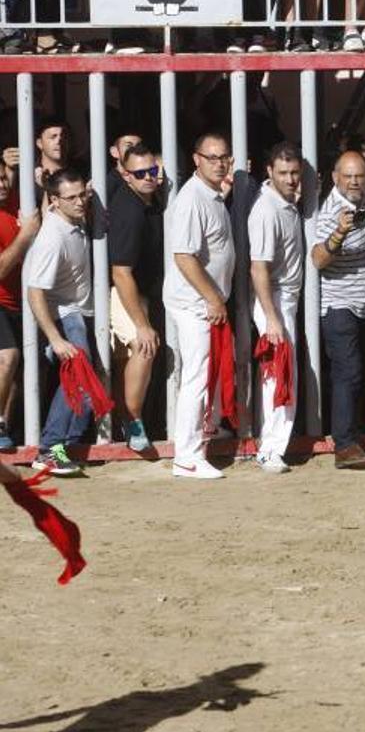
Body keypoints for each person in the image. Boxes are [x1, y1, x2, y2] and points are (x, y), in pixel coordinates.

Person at [163, 132, 235, 480]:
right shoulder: (192, 199)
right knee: (197, 375)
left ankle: (202, 437)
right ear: (196, 159)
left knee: (207, 373)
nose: (219, 163)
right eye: (212, 157)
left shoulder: (212, 195)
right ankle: (187, 456)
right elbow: (183, 257)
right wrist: (213, 297)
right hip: (195, 302)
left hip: (204, 301)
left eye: (224, 157)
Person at [312, 150, 365, 469]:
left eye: (360, 176)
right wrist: (339, 232)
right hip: (339, 305)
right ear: (335, 178)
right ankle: (344, 445)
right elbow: (318, 259)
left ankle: (353, 436)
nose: (354, 181)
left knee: (357, 374)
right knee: (347, 373)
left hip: (362, 306)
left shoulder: (362, 204)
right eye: (348, 176)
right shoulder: (332, 212)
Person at [24, 169, 94, 476]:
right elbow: (35, 291)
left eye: (83, 194)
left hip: (77, 312)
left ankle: (66, 443)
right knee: (76, 372)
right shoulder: (52, 238)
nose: (80, 202)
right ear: (55, 201)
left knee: (85, 377)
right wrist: (55, 338)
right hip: (64, 315)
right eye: (72, 197)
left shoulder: (73, 222)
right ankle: (50, 448)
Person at [248, 143, 306, 474]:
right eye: (283, 173)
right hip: (275, 299)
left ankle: (271, 446)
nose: (290, 180)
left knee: (282, 374)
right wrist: (271, 317)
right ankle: (271, 449)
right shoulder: (267, 209)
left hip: (284, 298)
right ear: (269, 172)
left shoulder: (283, 203)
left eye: (295, 173)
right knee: (279, 375)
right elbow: (259, 267)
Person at [107, 142, 164, 453]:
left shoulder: (151, 199)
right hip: (124, 289)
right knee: (144, 347)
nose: (148, 177)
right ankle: (133, 422)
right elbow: (121, 273)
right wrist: (142, 324)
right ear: (126, 176)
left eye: (152, 171)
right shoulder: (130, 211)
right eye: (140, 173)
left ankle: (125, 420)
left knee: (126, 361)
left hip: (141, 289)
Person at [0, 166, 38, 450]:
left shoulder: (18, 201)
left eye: (3, 177)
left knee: (17, 374)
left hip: (22, 301)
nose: (2, 184)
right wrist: (24, 237)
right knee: (7, 358)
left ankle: (5, 429)